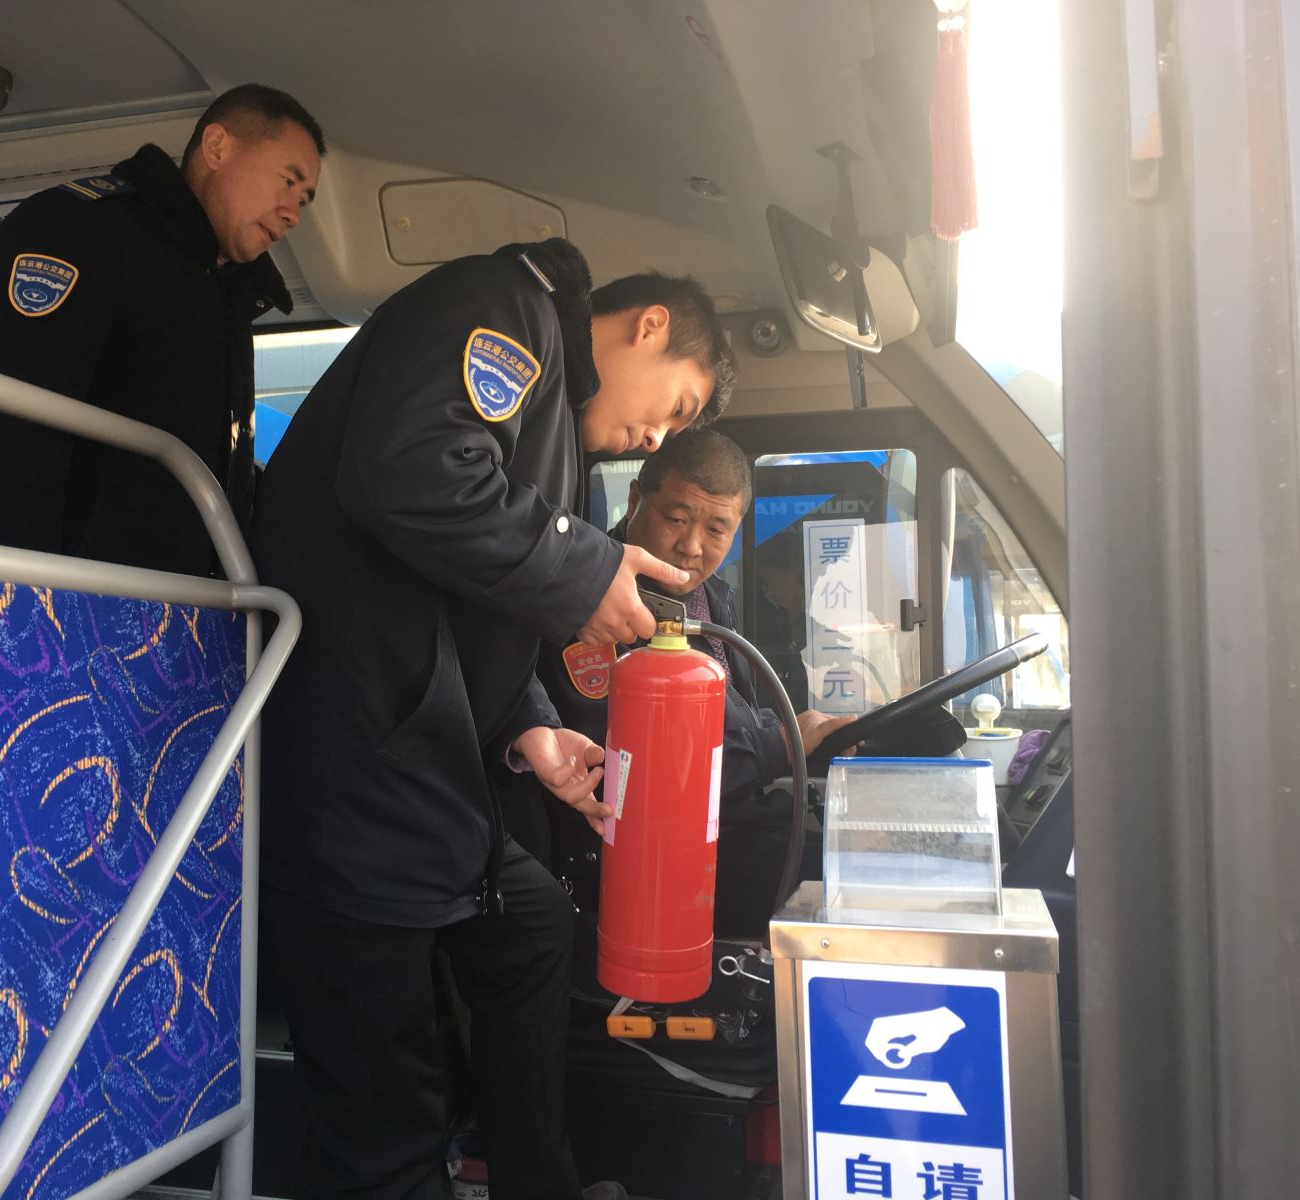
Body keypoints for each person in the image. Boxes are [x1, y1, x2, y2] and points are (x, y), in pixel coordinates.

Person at [252, 247, 735, 1198]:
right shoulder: (507, 314)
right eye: (675, 407)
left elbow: (472, 604)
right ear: (649, 328)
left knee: (537, 928)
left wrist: (531, 728)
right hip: (352, 776)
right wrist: (584, 569)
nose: (655, 438)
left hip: (426, 775)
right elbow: (410, 472)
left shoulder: (556, 435)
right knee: (383, 1110)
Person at [0, 84, 324, 574]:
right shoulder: (81, 230)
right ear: (217, 147)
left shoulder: (226, 294)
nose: (293, 213)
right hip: (87, 597)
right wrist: (15, 593)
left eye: (303, 200)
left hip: (190, 600)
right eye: (288, 181)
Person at [503, 429, 855, 935]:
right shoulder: (593, 599)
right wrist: (778, 744)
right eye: (675, 519)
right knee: (836, 881)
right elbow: (628, 768)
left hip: (729, 819)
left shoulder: (713, 597)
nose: (691, 547)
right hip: (644, 855)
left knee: (855, 856)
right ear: (635, 500)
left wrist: (804, 733)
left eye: (717, 529)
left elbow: (725, 711)